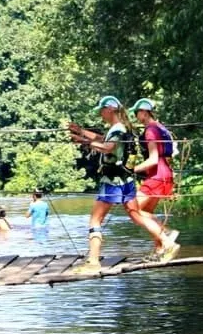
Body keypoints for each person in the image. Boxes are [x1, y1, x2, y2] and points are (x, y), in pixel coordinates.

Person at [67, 95, 149, 272]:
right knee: (135, 215)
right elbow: (103, 138)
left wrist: (86, 142)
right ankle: (165, 240)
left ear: (110, 109)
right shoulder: (121, 128)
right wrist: (81, 132)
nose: (101, 114)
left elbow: (108, 147)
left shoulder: (118, 129)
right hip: (126, 179)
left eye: (102, 110)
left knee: (95, 219)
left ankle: (93, 261)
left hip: (112, 181)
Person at [130, 98, 180, 261]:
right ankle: (159, 250)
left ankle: (166, 237)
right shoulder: (162, 128)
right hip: (165, 174)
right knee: (146, 212)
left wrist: (131, 169)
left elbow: (153, 159)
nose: (136, 116)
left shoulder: (150, 130)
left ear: (143, 112)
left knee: (133, 209)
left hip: (157, 175)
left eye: (136, 113)